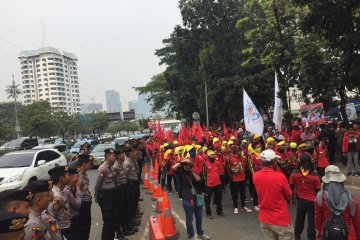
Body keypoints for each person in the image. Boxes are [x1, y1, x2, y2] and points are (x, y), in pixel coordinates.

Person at [253, 149, 294, 240]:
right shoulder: (280, 177)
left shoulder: (255, 176)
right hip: (280, 219)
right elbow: (289, 196)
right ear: (273, 162)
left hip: (264, 219)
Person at [315, 165, 360, 239]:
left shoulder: (320, 196)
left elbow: (318, 217)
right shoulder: (350, 197)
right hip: (347, 235)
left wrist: (318, 231)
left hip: (327, 233)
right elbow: (357, 221)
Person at [173, 158, 210, 240]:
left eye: (190, 164)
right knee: (189, 218)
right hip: (187, 198)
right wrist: (181, 162)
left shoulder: (192, 172)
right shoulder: (181, 173)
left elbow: (200, 181)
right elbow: (173, 167)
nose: (190, 165)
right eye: (188, 164)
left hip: (196, 198)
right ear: (184, 165)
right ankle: (191, 235)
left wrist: (192, 171)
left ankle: (200, 234)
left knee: (199, 217)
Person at [289, 154, 321, 240]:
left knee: (299, 219)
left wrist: (291, 199)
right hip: (313, 202)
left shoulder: (294, 174)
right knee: (312, 221)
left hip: (300, 201)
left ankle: (297, 236)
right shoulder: (315, 176)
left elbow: (291, 188)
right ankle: (311, 237)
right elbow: (318, 191)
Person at [94, 148, 117, 240]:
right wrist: (96, 196)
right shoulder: (103, 168)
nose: (115, 157)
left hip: (111, 195)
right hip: (106, 196)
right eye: (113, 156)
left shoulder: (110, 166)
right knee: (108, 221)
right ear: (108, 156)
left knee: (112, 220)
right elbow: (97, 184)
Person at [48, 166, 72, 239]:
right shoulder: (56, 196)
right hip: (61, 230)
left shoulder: (61, 191)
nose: (70, 177)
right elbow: (50, 216)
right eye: (68, 175)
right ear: (61, 178)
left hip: (66, 227)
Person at [113, 148, 132, 239]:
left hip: (124, 187)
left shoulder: (120, 164)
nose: (123, 155)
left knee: (125, 209)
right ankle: (120, 232)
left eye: (124, 154)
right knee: (120, 212)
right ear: (118, 156)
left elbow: (124, 175)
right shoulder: (116, 166)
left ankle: (125, 229)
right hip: (119, 190)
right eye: (122, 154)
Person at [202, 150, 225, 218]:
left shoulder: (217, 163)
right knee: (207, 199)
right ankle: (208, 213)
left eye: (214, 154)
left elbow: (221, 171)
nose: (213, 156)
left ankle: (219, 211)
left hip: (217, 183)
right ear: (208, 156)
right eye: (212, 155)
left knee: (219, 198)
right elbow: (203, 174)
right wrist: (206, 182)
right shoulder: (205, 164)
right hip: (209, 184)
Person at [229, 147, 252, 213]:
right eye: (239, 151)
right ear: (236, 152)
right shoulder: (231, 159)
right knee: (235, 194)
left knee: (243, 193)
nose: (241, 152)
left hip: (242, 178)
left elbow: (244, 167)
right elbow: (229, 169)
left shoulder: (243, 158)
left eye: (241, 151)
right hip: (235, 179)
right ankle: (235, 207)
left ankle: (243, 206)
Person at [63, 166, 83, 240]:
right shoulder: (66, 190)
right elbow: (77, 204)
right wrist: (78, 189)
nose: (79, 179)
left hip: (75, 216)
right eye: (77, 176)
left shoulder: (71, 187)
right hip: (71, 219)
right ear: (70, 177)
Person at [77, 154, 93, 240]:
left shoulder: (85, 174)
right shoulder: (78, 176)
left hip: (87, 203)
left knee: (87, 226)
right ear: (83, 164)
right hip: (82, 205)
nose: (90, 165)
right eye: (89, 163)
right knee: (83, 227)